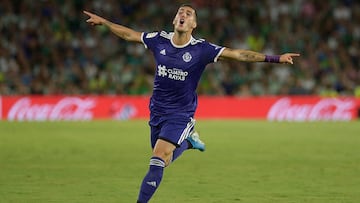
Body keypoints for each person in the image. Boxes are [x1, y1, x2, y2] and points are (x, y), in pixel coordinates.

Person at [84, 4, 299, 203]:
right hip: (156, 111)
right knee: (163, 161)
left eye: (189, 13)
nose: (183, 15)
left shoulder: (201, 49)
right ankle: (188, 141)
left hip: (180, 114)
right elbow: (129, 34)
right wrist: (105, 22)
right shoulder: (159, 40)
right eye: (180, 12)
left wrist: (275, 58)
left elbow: (239, 54)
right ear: (174, 19)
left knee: (157, 158)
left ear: (194, 24)